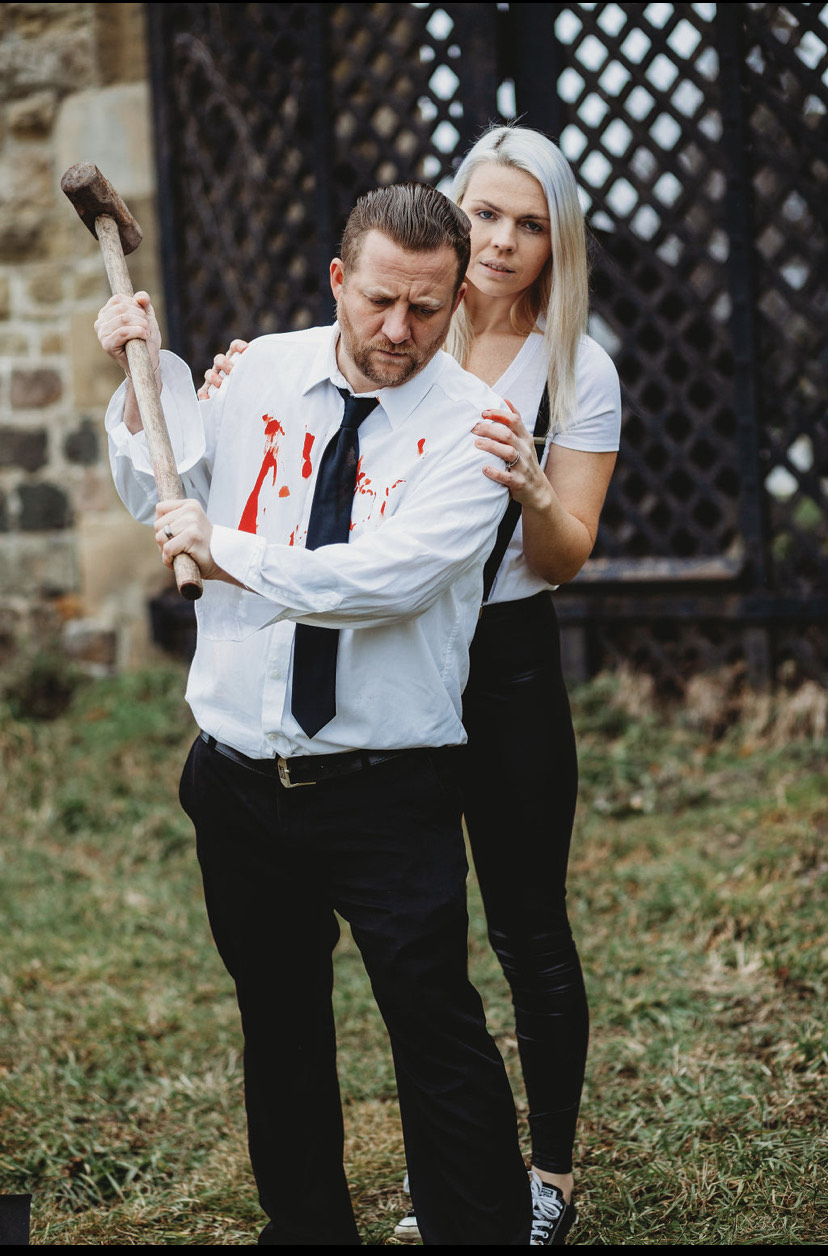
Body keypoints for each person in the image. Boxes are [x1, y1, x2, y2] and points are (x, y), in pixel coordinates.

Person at [201, 124, 622, 1247]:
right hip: (375, 667)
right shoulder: (386, 326)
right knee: (390, 951)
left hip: (502, 656)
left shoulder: (569, 364)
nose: (501, 240)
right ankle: (428, 1189)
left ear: (557, 241)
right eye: (486, 213)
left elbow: (570, 544)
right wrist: (238, 384)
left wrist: (529, 487)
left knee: (521, 926)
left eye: (531, 224)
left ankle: (544, 1178)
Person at [93, 181, 533, 1246]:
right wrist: (141, 377)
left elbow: (382, 578)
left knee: (434, 1025)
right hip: (242, 778)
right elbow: (165, 486)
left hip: (387, 788)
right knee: (279, 1028)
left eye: (429, 309)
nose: (399, 331)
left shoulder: (475, 431)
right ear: (340, 278)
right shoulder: (261, 373)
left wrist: (225, 548)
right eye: (380, 300)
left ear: (459, 295)